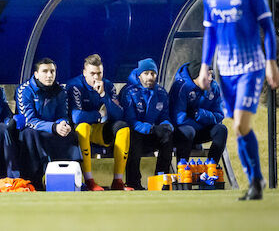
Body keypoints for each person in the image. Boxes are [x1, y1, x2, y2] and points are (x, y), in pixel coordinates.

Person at [197, 0, 279, 200]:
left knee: (242, 125)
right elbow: (210, 32)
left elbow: (268, 27)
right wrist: (204, 67)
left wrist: (271, 62)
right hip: (226, 72)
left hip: (251, 67)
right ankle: (255, 181)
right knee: (238, 128)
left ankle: (256, 180)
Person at [66, 54, 132, 191]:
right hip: (77, 133)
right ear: (84, 73)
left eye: (99, 73)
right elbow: (76, 117)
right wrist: (99, 115)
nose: (96, 78)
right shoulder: (75, 86)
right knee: (83, 126)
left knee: (123, 128)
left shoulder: (108, 85)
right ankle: (89, 181)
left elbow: (119, 115)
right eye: (92, 73)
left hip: (97, 129)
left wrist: (103, 96)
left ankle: (118, 181)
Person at [16, 58, 81, 190]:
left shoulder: (60, 90)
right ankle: (33, 180)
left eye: (52, 71)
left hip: (53, 128)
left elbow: (63, 114)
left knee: (71, 135)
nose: (49, 75)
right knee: (29, 134)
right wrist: (53, 127)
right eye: (45, 71)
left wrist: (63, 124)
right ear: (36, 74)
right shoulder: (25, 90)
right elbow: (29, 120)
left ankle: (69, 179)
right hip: (32, 130)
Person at [120, 58, 174, 190]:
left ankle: (161, 180)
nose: (150, 77)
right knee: (134, 136)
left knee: (168, 136)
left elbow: (164, 116)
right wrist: (151, 129)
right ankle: (133, 182)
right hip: (137, 134)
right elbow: (130, 121)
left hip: (152, 133)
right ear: (139, 75)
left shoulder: (161, 93)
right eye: (146, 73)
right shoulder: (129, 92)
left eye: (153, 73)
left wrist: (166, 126)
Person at [169, 61, 227, 164]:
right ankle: (182, 170)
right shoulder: (181, 86)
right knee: (188, 131)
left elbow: (219, 115)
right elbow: (179, 119)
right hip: (182, 133)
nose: (210, 78)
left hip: (199, 129)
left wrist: (199, 114)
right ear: (197, 76)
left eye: (211, 74)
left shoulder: (213, 87)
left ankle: (211, 168)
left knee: (221, 130)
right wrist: (203, 122)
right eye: (207, 75)